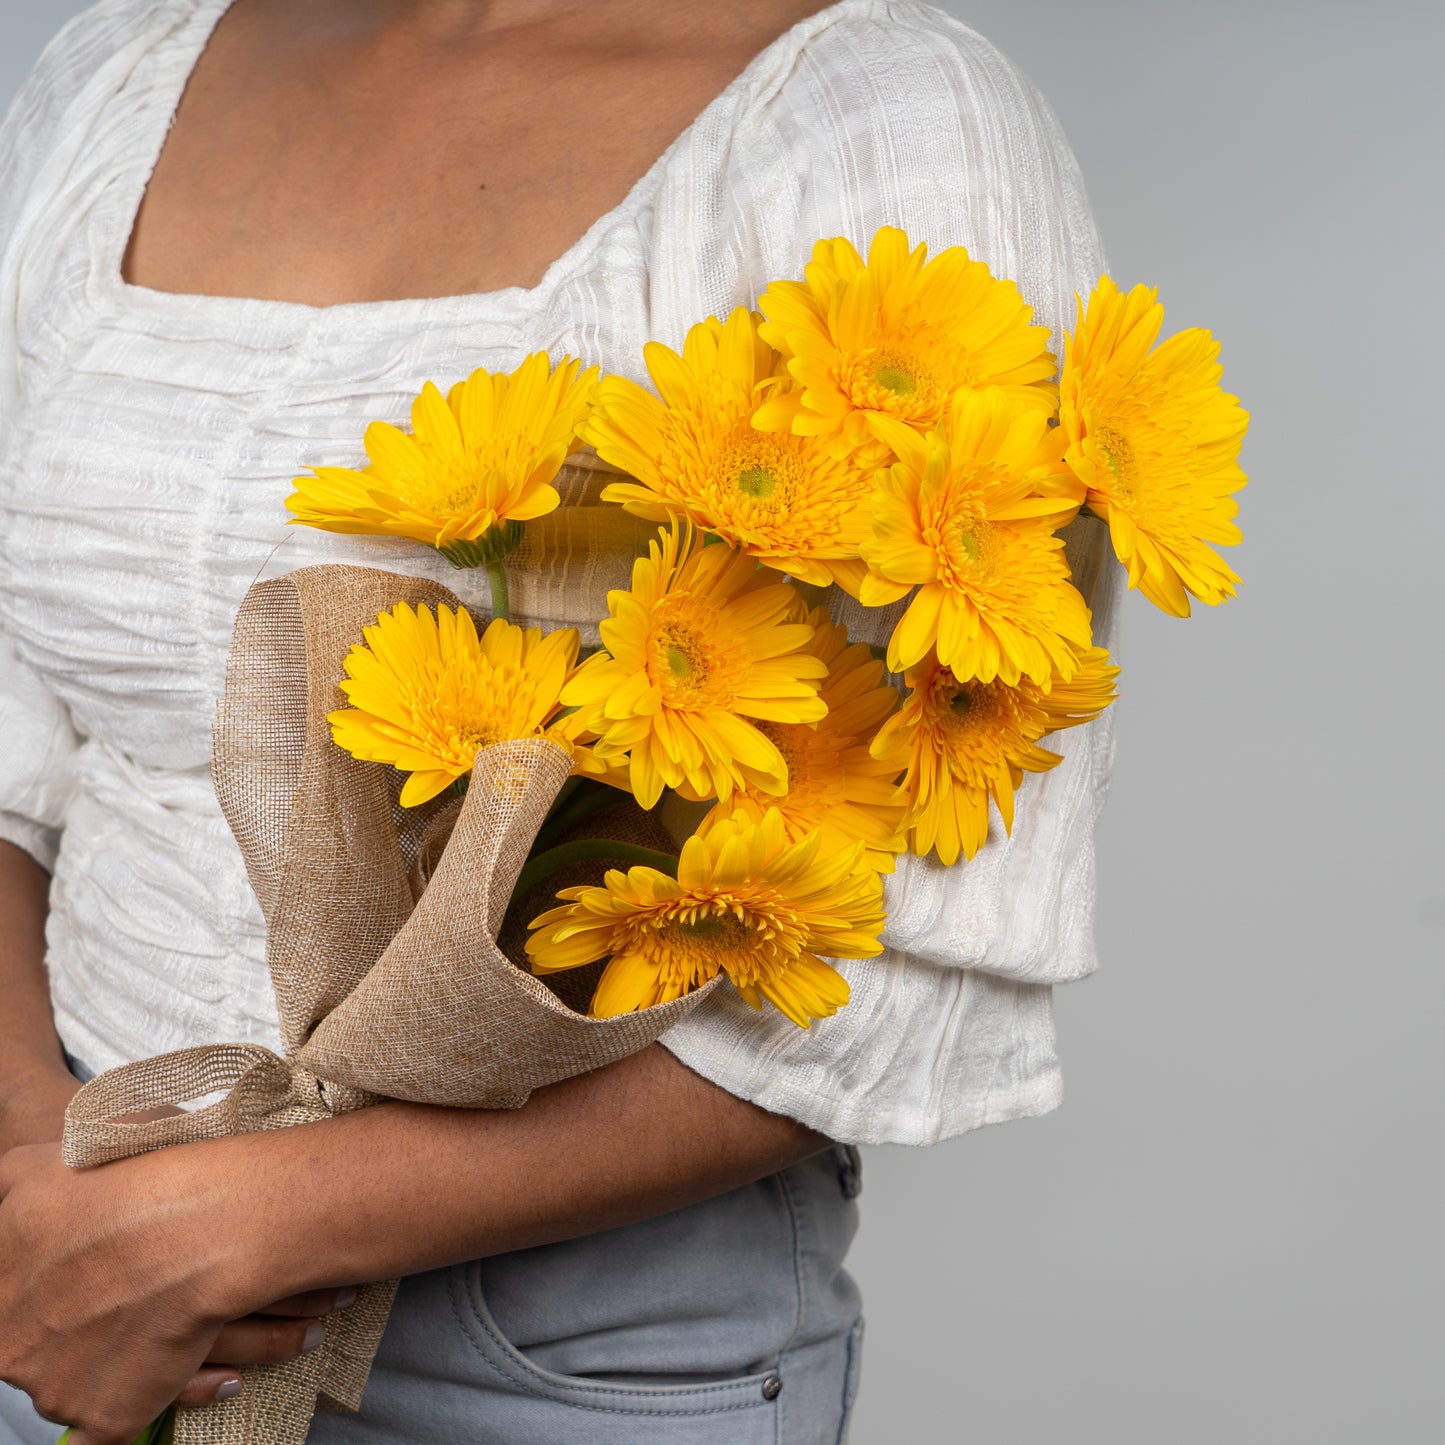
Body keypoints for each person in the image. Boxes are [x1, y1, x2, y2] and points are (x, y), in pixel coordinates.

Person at [0, 1, 1118, 1442]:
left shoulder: (881, 118)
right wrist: (49, 1180)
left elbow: (911, 959)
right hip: (64, 1267)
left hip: (551, 1351)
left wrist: (242, 1220)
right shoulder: (116, 70)